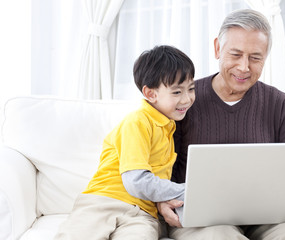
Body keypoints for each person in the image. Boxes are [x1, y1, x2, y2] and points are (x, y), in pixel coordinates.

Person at [157, 9, 285, 240]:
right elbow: (156, 167)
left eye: (255, 57)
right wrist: (161, 200)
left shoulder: (279, 103)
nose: (244, 67)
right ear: (217, 49)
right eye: (236, 54)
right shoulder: (183, 100)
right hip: (203, 220)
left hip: (268, 218)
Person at [54, 45, 195, 240]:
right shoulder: (138, 121)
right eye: (177, 92)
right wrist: (190, 191)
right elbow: (136, 181)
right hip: (104, 202)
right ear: (151, 94)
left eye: (191, 88)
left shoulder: (169, 128)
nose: (187, 99)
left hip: (144, 215)